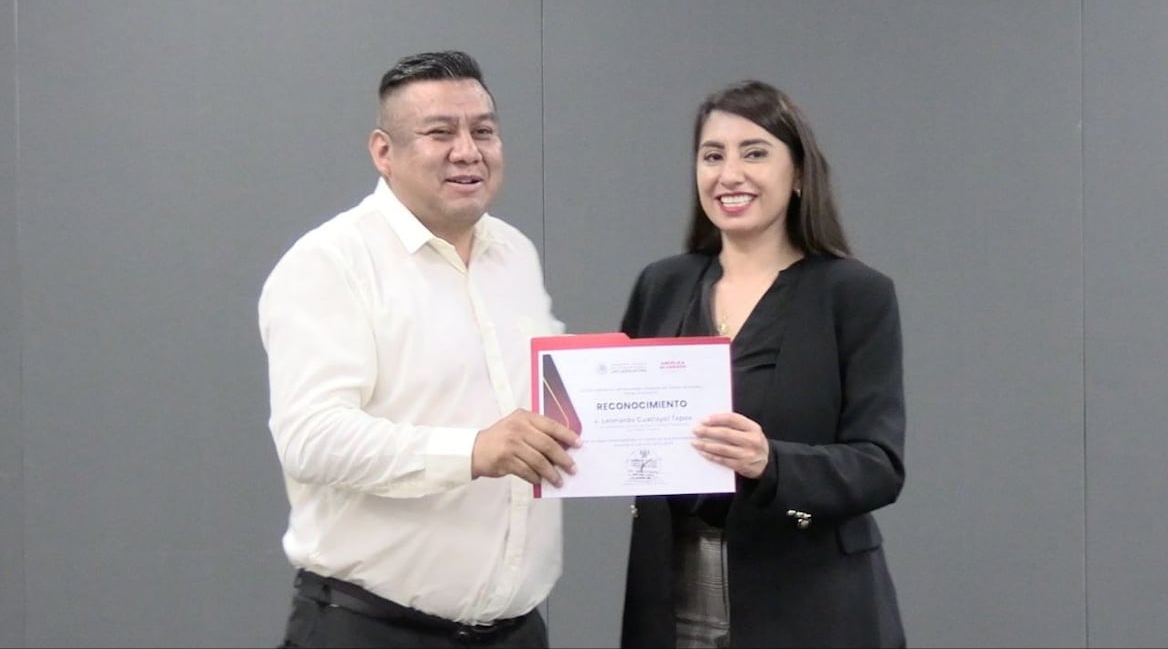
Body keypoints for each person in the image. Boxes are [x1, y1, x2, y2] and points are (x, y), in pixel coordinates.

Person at [258, 50, 581, 649]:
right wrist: (474, 451)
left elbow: (545, 405)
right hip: (372, 630)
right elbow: (312, 439)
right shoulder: (330, 263)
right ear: (384, 151)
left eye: (483, 130)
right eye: (440, 132)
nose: (468, 150)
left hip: (515, 633)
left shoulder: (514, 254)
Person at [618, 80, 907, 648]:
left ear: (798, 174)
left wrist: (770, 462)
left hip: (811, 597)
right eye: (712, 155)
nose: (730, 174)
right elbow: (624, 426)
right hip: (671, 591)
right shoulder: (662, 286)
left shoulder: (855, 294)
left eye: (755, 152)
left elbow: (880, 464)